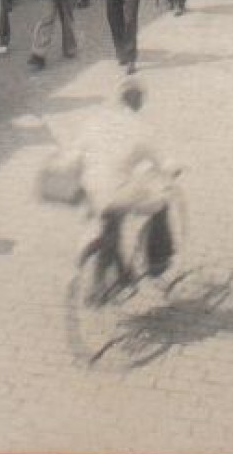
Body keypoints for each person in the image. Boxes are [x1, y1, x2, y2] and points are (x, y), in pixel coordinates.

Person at [68, 80, 180, 298]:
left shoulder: (96, 121)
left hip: (88, 190)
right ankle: (157, 261)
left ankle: (116, 269)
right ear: (139, 104)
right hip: (116, 192)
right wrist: (173, 170)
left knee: (110, 219)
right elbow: (164, 163)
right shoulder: (141, 129)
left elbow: (74, 154)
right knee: (161, 202)